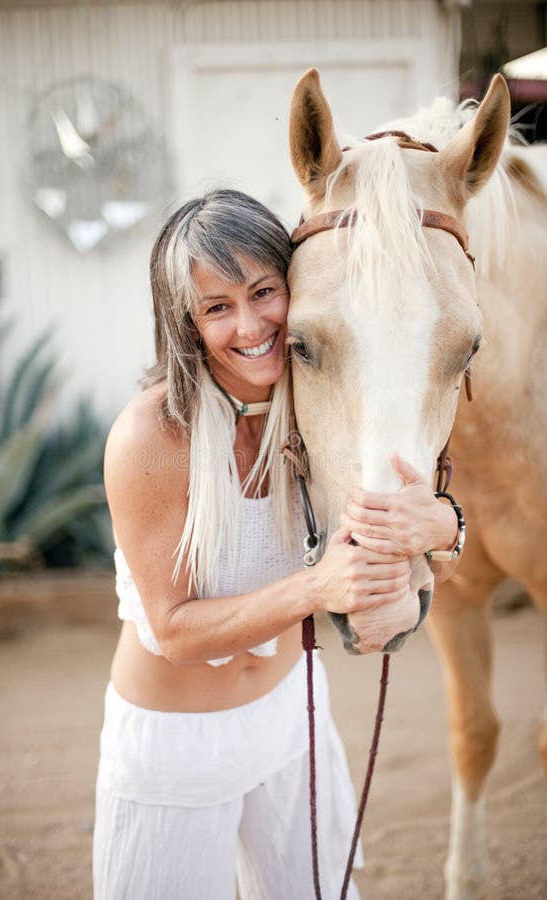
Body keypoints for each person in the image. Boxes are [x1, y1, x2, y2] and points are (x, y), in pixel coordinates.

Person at [93, 189, 460, 900]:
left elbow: (419, 501)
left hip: (295, 717)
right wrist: (319, 587)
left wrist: (441, 524)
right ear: (185, 323)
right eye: (216, 307)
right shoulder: (151, 435)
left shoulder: (316, 396)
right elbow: (172, 631)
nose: (251, 324)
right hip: (177, 746)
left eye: (264, 291)